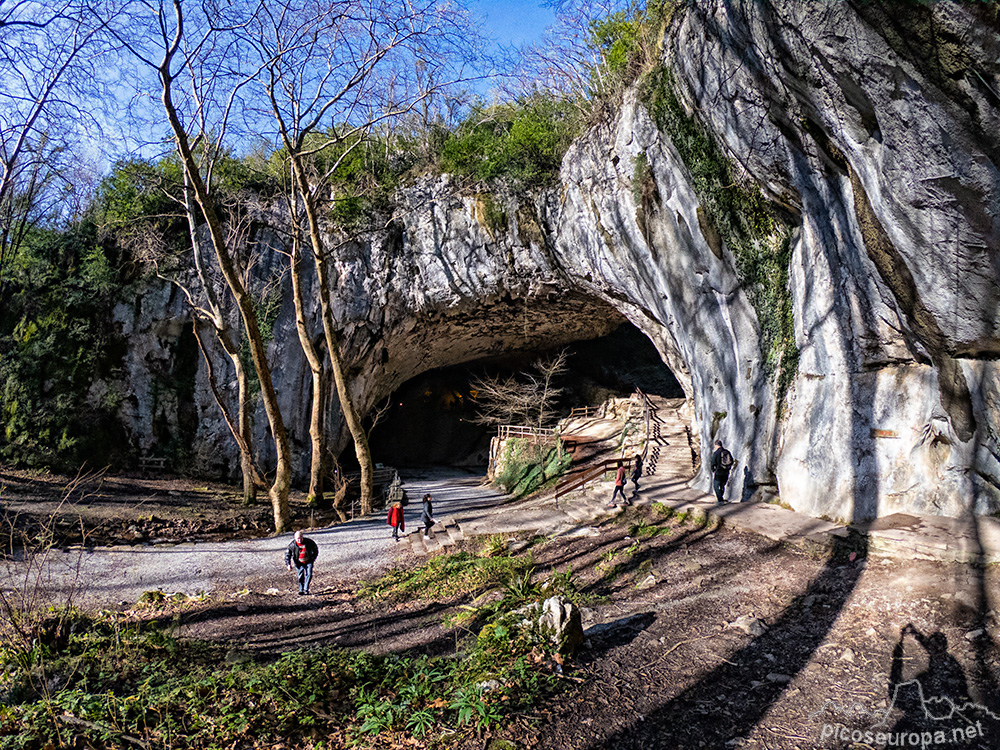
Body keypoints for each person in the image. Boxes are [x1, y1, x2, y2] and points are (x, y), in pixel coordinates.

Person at [285, 530, 319, 595]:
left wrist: (313, 558)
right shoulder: (292, 545)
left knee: (309, 574)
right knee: (300, 575)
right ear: (294, 538)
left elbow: (315, 549)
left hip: (308, 561)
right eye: (298, 538)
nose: (299, 540)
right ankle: (301, 590)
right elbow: (287, 554)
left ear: (302, 537)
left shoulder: (309, 542)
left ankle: (306, 589)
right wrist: (288, 564)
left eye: (300, 537)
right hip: (299, 562)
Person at [710, 440, 734, 504]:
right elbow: (732, 461)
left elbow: (713, 463)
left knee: (716, 486)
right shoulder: (727, 452)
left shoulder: (716, 453)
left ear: (716, 445)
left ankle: (720, 500)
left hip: (719, 472)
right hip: (726, 472)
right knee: (722, 486)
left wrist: (713, 470)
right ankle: (721, 498)